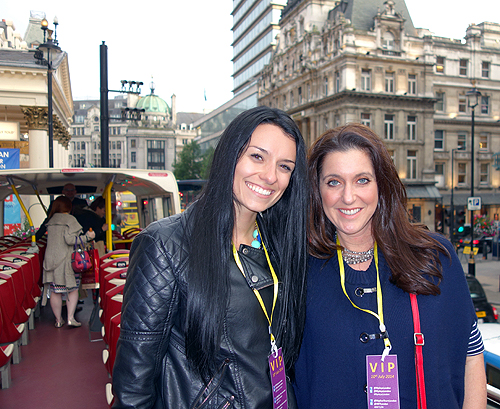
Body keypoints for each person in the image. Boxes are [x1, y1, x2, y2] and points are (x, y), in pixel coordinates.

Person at [112, 106, 308, 408]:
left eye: (285, 167)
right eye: (257, 156)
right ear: (230, 155)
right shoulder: (165, 245)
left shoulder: (280, 244)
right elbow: (134, 384)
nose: (270, 176)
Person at [294, 124, 486, 409]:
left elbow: (471, 353)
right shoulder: (299, 269)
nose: (348, 197)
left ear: (381, 184)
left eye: (362, 180)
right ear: (317, 190)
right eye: (333, 182)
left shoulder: (434, 256)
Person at [41, 196, 95, 328]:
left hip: (51, 261)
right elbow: (70, 240)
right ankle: (70, 318)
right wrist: (88, 237)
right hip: (66, 261)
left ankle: (58, 320)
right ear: (68, 207)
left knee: (55, 291)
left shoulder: (51, 220)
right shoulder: (70, 220)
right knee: (72, 289)